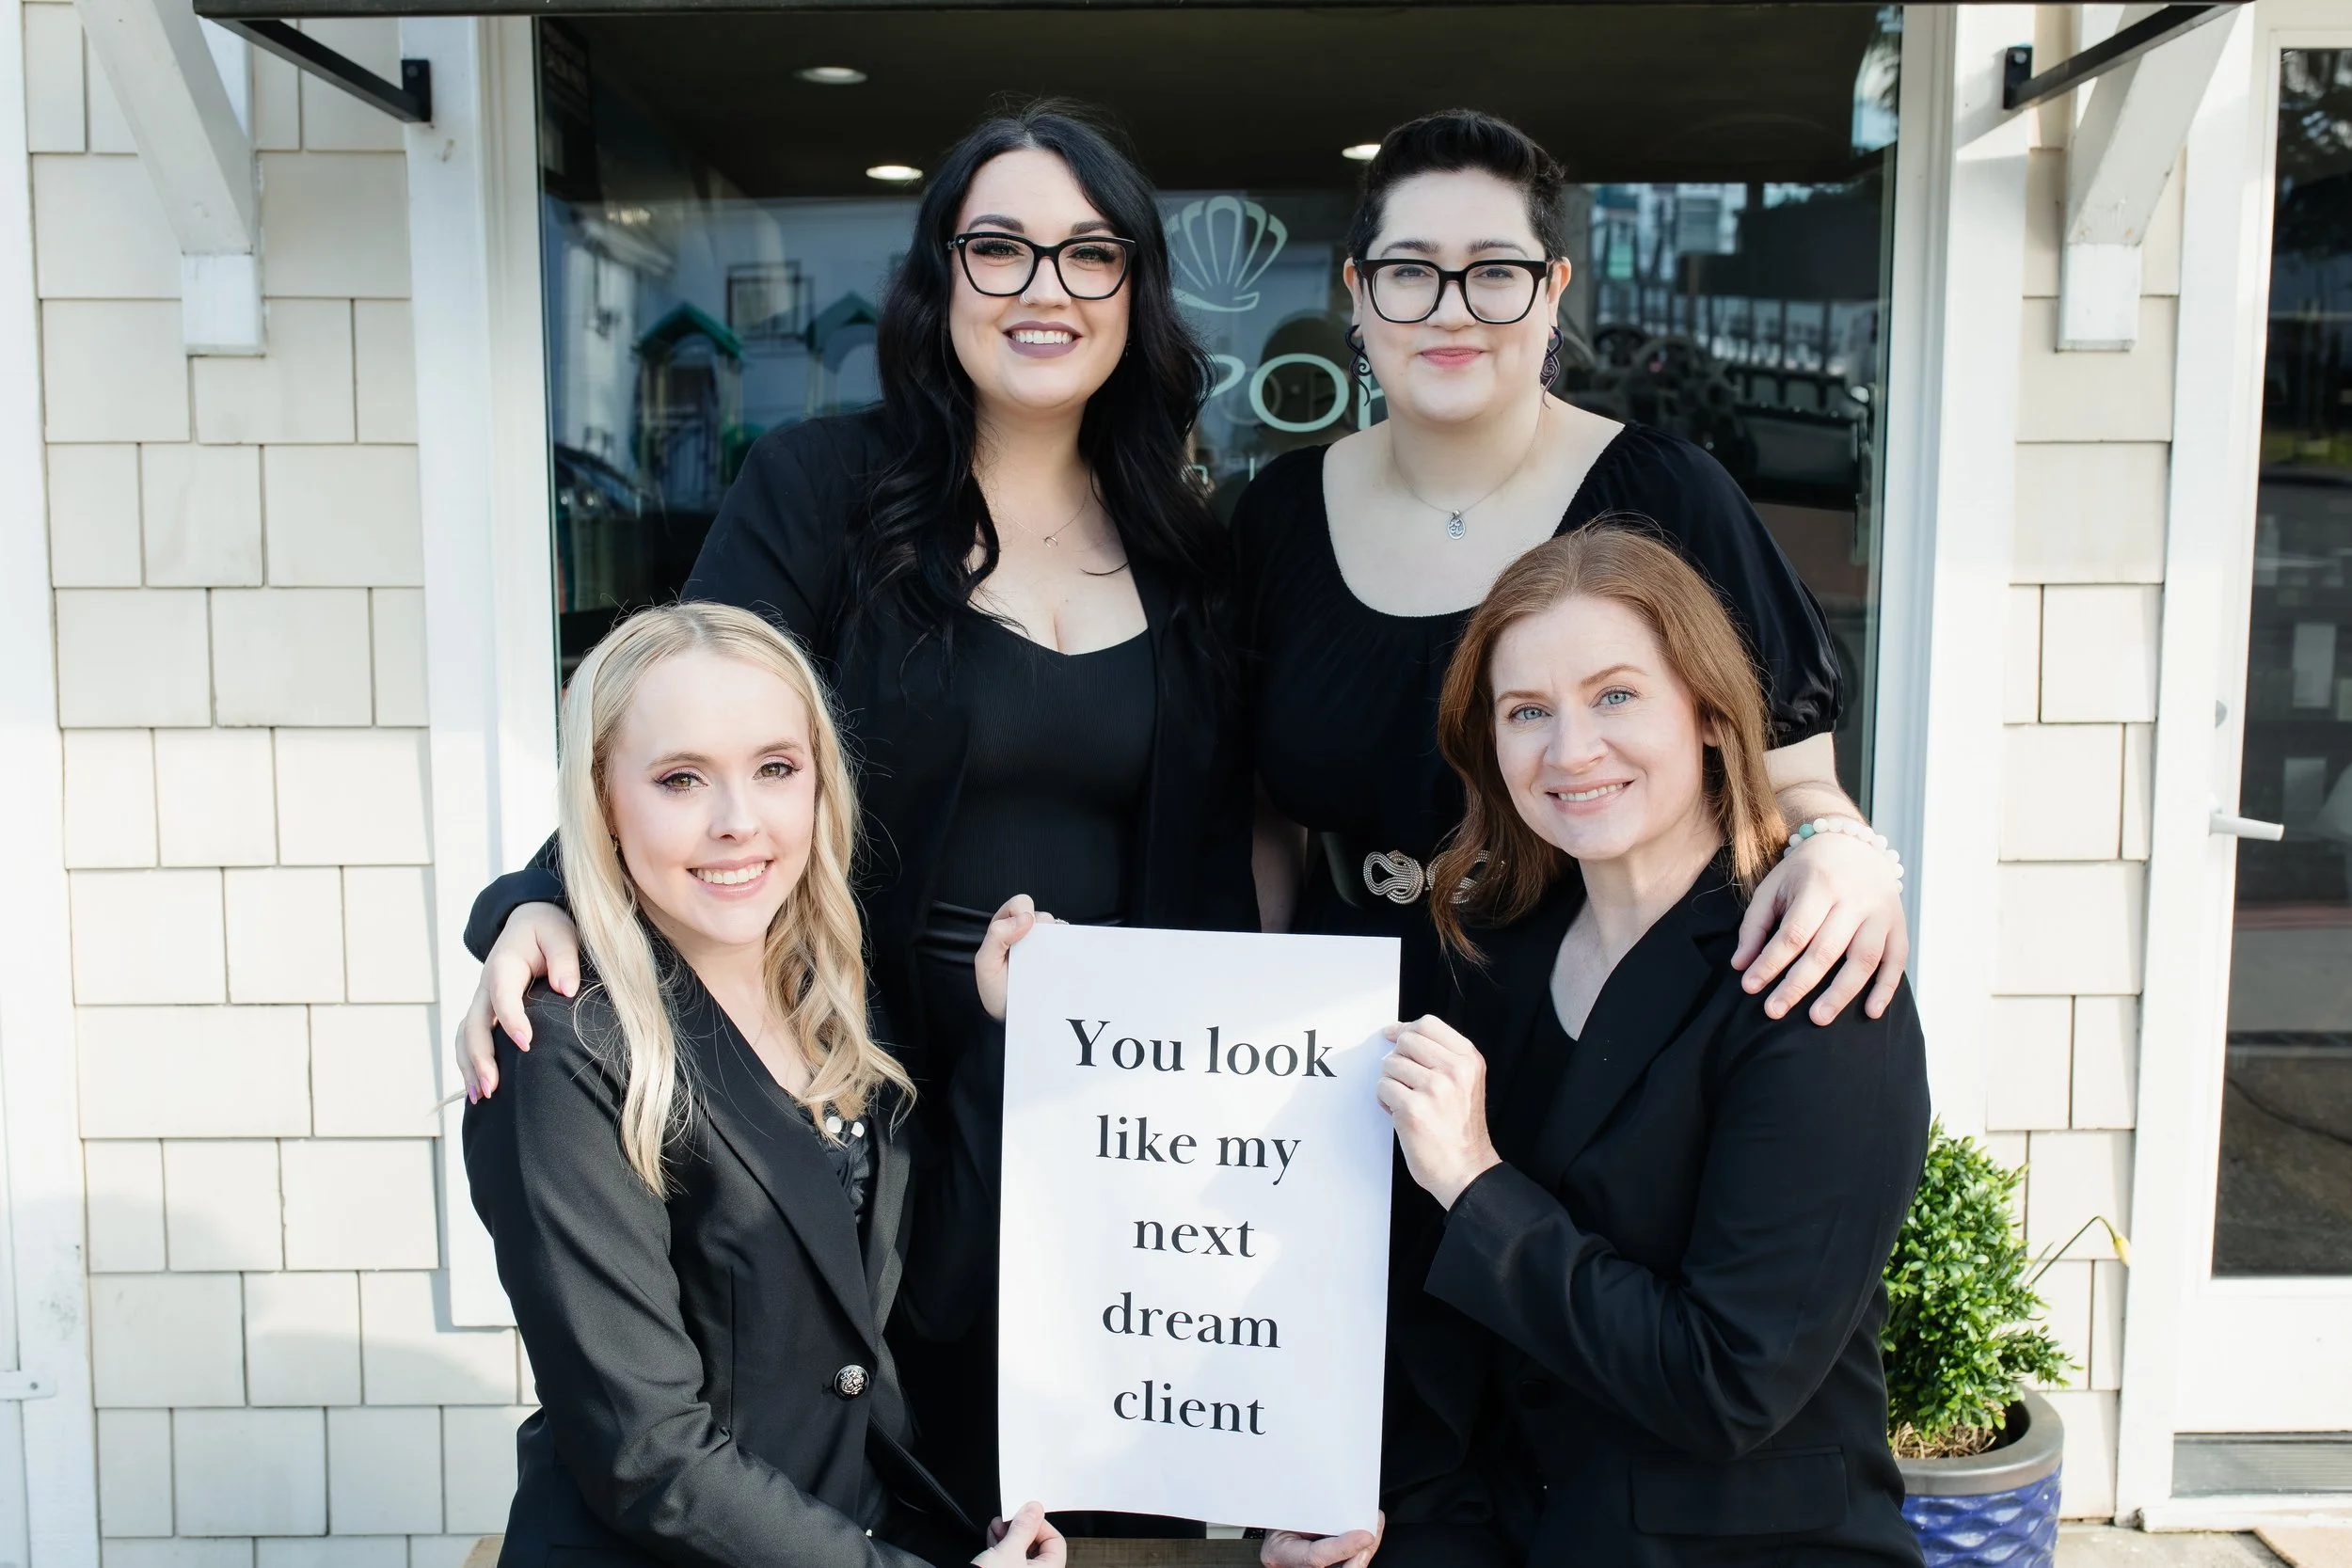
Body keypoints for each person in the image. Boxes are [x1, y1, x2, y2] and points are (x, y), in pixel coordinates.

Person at [453, 103, 1248, 1532]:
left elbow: (1215, 859)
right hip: (847, 1080)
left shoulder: (1189, 545)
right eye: (997, 248)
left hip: (1088, 1107)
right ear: (939, 281)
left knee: (1086, 1503)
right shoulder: (824, 487)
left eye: (1089, 252)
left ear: (1137, 288)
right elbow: (683, 719)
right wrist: (535, 897)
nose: (1044, 288)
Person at [1232, 113, 1913, 1554]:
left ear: (1552, 294)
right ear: (1356, 295)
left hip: (1589, 975)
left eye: (1496, 270)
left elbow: (1794, 772)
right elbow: (1260, 819)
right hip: (1365, 1014)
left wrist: (1853, 851)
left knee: (1591, 1342)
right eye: (1410, 270)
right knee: (1422, 1410)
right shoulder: (1283, 511)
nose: (1452, 306)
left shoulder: (1664, 496)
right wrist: (1244, 1034)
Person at [1319, 527, 1931, 1565]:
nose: (1570, 751)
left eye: (1615, 696)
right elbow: (1433, 1318)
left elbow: (1727, 1382)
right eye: (1527, 712)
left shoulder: (1809, 975)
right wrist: (1369, 1500)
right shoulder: (1490, 951)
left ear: (1704, 710)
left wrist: (1475, 1178)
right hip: (1500, 1530)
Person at [463, 603, 1065, 1568]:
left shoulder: (834, 996)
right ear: (601, 798)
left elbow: (918, 1310)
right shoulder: (562, 1048)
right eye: (680, 778)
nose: (738, 820)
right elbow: (648, 1454)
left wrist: (1009, 1044)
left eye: (774, 768)